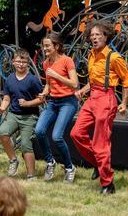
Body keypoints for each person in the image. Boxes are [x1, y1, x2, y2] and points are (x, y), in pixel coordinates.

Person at [70, 19, 128, 194]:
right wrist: (83, 90)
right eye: (92, 35)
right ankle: (99, 163)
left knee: (100, 144)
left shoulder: (114, 57)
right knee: (76, 133)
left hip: (106, 99)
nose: (94, 38)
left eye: (98, 35)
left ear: (106, 37)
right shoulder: (91, 54)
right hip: (92, 98)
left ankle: (107, 183)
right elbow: (94, 80)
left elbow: (126, 80)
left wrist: (124, 102)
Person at [34, 32, 79, 183]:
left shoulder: (67, 61)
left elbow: (74, 84)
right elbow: (48, 84)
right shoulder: (46, 63)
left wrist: (56, 75)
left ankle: (69, 167)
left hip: (68, 102)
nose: (44, 48)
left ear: (57, 46)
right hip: (53, 102)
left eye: (47, 45)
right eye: (43, 45)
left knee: (56, 136)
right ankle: (50, 162)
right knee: (39, 131)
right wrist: (44, 93)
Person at [0, 48, 43, 180]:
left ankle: (31, 175)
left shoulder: (32, 80)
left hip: (29, 116)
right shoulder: (10, 79)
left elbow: (42, 99)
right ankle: (13, 160)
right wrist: (2, 108)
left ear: (28, 63)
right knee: (3, 132)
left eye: (24, 62)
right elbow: (6, 98)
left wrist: (28, 103)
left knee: (25, 145)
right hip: (13, 114)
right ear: (13, 62)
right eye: (18, 61)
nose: (21, 64)